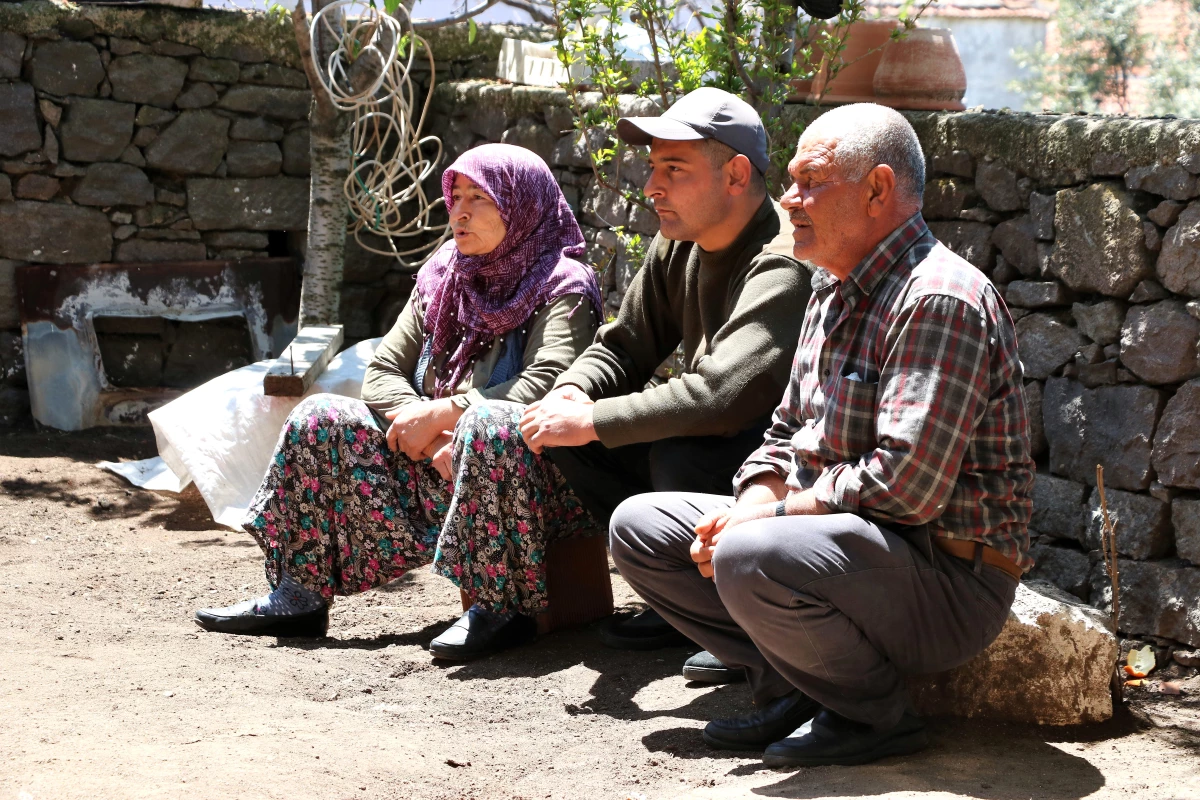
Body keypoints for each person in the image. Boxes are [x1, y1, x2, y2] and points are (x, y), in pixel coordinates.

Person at [609, 103, 1034, 767]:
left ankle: (871, 714)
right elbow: (784, 433)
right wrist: (751, 506)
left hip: (944, 581)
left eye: (810, 183)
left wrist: (768, 520)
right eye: (792, 182)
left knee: (753, 553)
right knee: (640, 527)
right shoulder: (833, 288)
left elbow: (906, 489)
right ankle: (790, 687)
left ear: (877, 190)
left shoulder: (937, 298)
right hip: (843, 547)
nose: (788, 199)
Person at [195, 143, 605, 661]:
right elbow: (384, 372)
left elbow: (550, 381)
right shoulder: (444, 275)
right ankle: (298, 593)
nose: (460, 211)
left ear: (521, 206)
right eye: (456, 196)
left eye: (480, 198)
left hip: (534, 478)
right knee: (319, 417)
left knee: (490, 426)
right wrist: (430, 435)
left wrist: (447, 413)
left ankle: (501, 607)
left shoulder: (561, 283)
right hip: (440, 458)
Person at [514, 87, 812, 681]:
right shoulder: (679, 239)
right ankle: (677, 601)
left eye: (674, 169)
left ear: (735, 174)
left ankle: (734, 621)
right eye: (653, 167)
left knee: (679, 450)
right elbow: (624, 344)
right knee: (568, 437)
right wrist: (573, 394)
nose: (653, 187)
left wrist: (595, 419)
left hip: (780, 468)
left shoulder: (781, 260)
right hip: (718, 437)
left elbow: (723, 397)